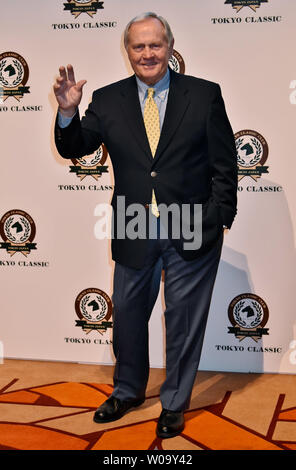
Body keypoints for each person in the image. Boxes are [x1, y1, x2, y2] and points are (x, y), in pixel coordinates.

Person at [53, 12, 237, 439]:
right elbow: (77, 146)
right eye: (139, 46)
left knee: (184, 320)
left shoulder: (205, 94)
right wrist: (67, 113)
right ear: (128, 51)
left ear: (170, 47)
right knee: (130, 317)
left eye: (155, 44)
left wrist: (219, 217)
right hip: (135, 225)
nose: (148, 53)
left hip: (193, 224)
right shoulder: (108, 98)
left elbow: (224, 164)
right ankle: (128, 390)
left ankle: (174, 402)